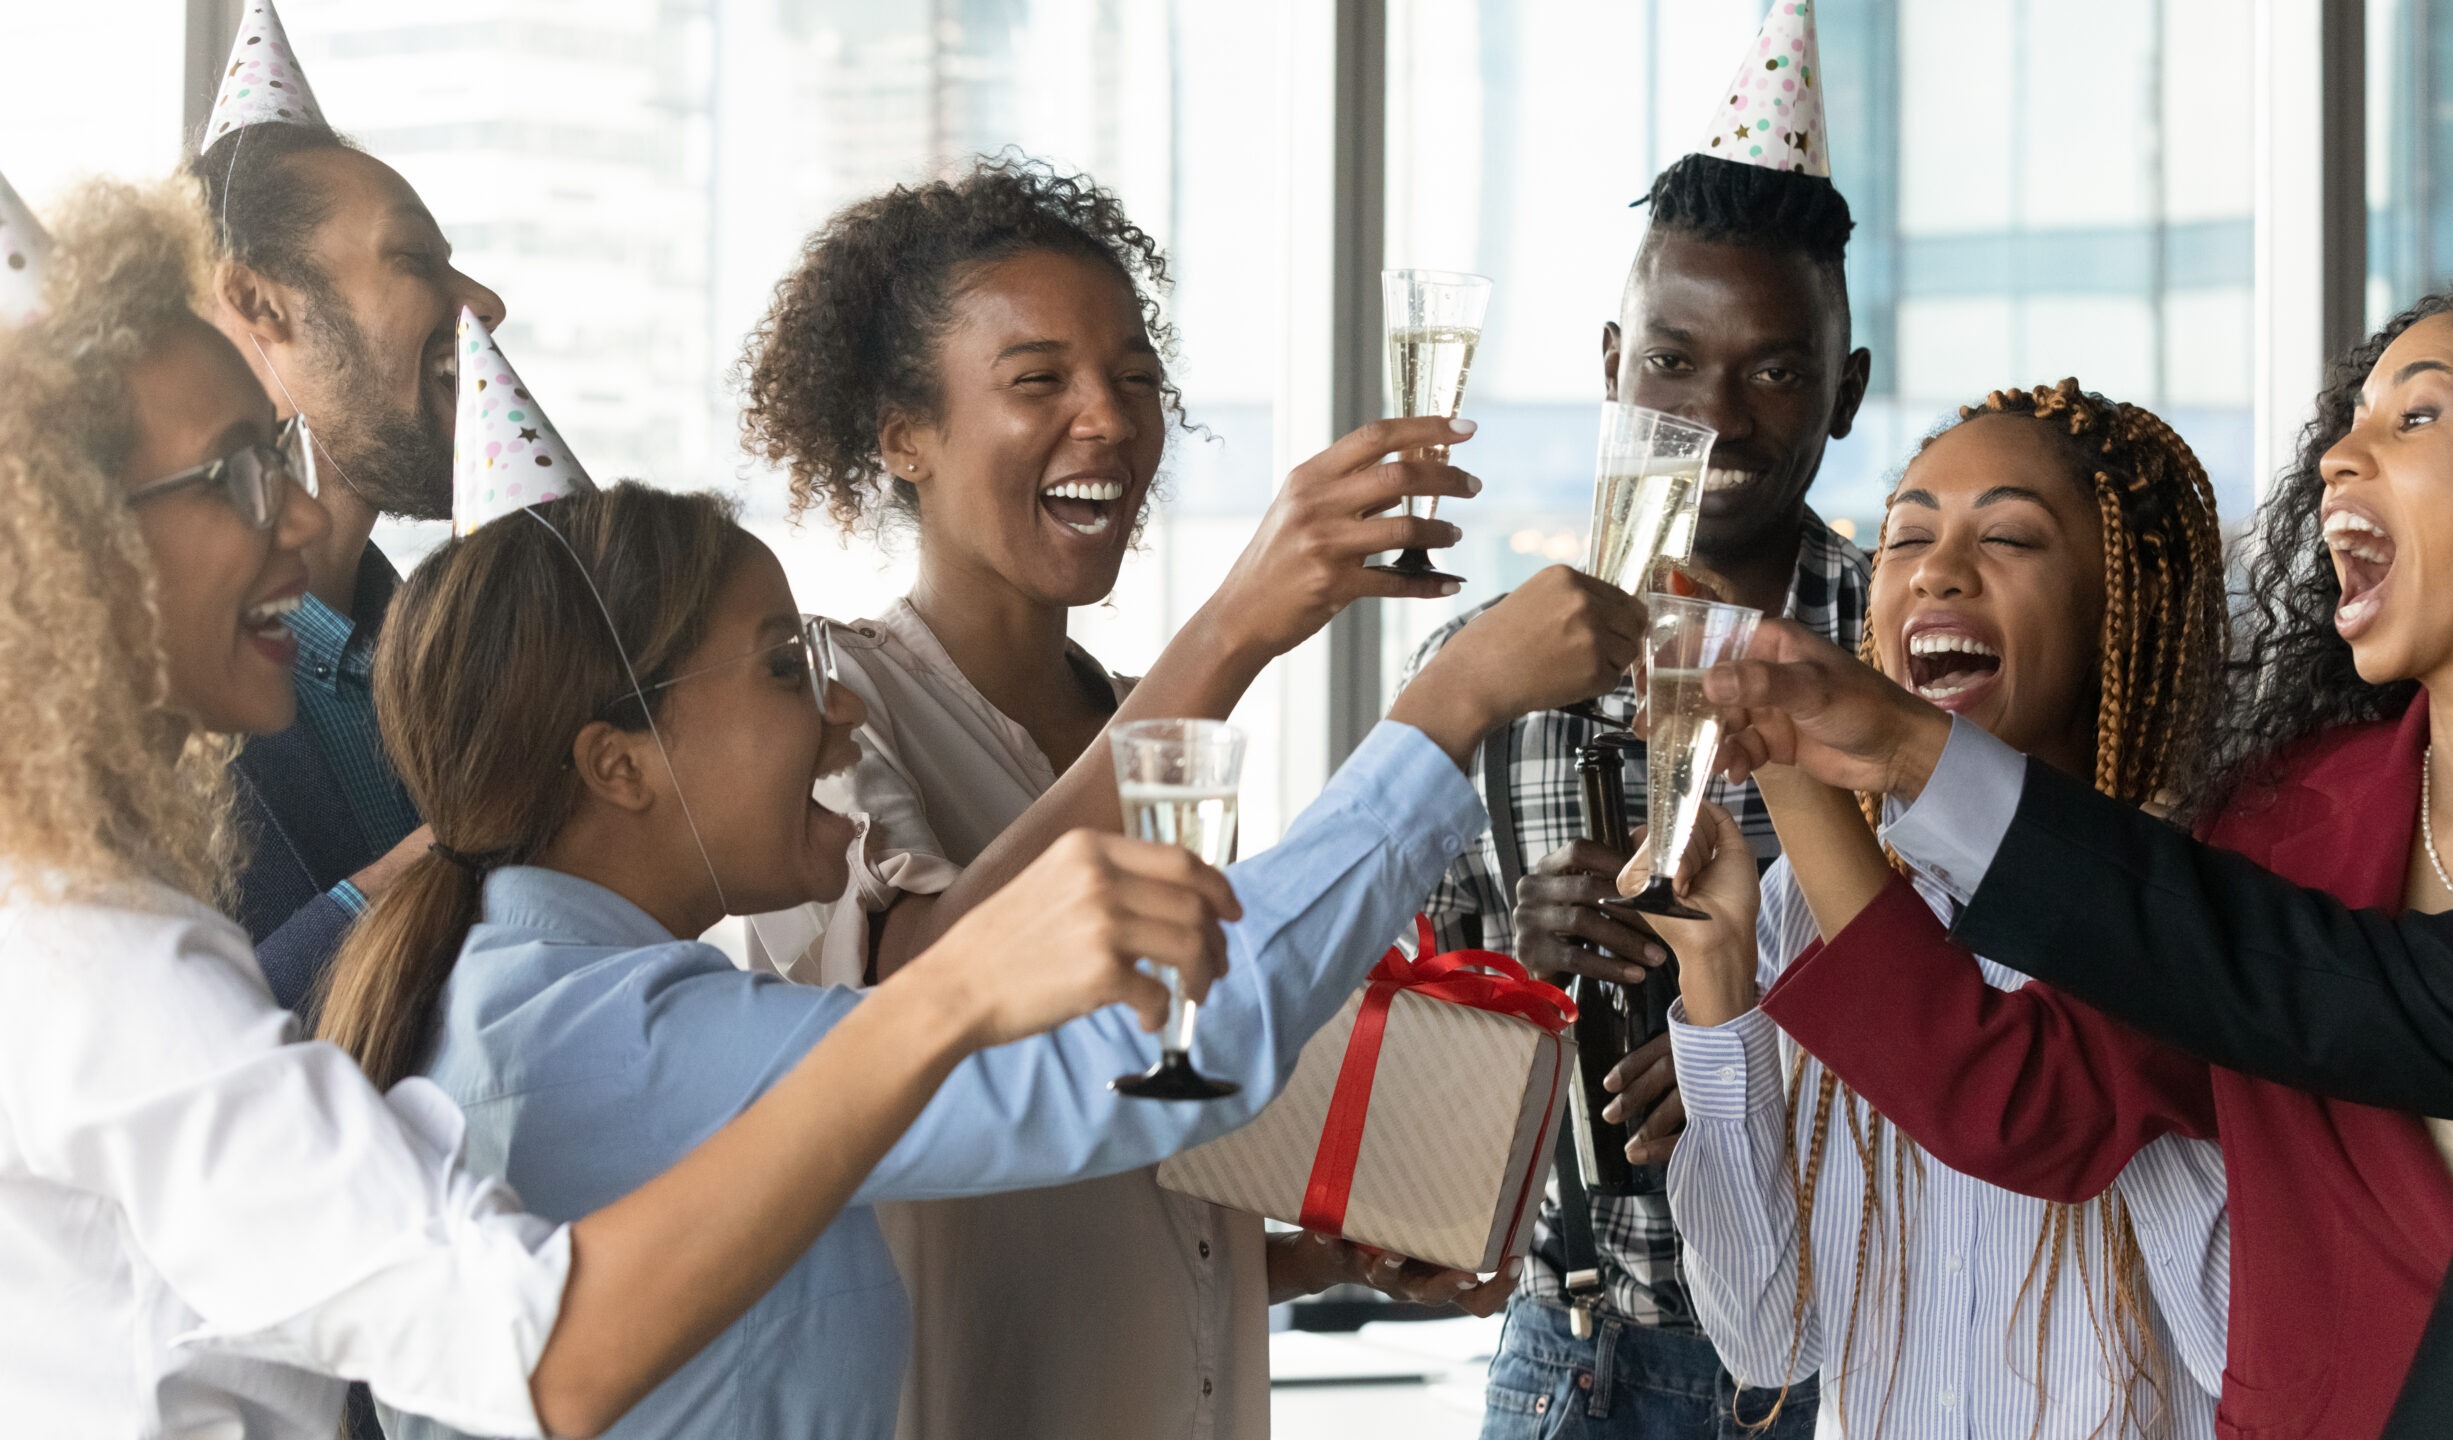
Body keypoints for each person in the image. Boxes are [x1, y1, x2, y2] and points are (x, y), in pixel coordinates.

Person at [0, 173, 1248, 1440]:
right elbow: (535, 1351)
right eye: (234, 475)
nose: (309, 517)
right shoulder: (101, 967)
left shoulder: (101, 929)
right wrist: (950, 999)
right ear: (65, 540)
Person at [310, 478, 1641, 1439]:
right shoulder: (621, 1039)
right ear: (618, 764)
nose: (834, 711)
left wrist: (1301, 1261)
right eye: (782, 670)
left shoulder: (524, 998)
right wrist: (1448, 706)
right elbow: (1146, 1062)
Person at [1697, 272, 2453, 1440]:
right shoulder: (2277, 825)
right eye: (2342, 427)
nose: (2336, 461)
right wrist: (1819, 757)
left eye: (2412, 415)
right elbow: (2026, 1099)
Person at [733, 156, 1513, 1437]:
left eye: (1136, 379)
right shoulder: (828, 707)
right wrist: (1241, 629)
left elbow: (1131, 1183)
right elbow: (917, 999)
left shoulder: (1138, 718)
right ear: (902, 435)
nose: (1109, 418)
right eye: (1038, 380)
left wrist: (1323, 1253)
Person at [1397, 6, 1871, 1424]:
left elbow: (2017, 1008)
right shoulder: (1494, 665)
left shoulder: (1904, 650)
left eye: (1776, 370)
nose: (1716, 413)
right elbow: (1411, 1065)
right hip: (1573, 1351)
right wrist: (1514, 975)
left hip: (1845, 1361)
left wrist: (1768, 1027)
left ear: (1841, 393)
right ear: (1613, 362)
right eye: (1674, 360)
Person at [1646, 380, 2229, 1438]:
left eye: (2007, 537)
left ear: (2122, 602)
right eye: (1903, 539)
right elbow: (1766, 1342)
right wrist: (1720, 981)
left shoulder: (2202, 902)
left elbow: (2246, 1349)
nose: (1937, 574)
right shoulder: (1803, 901)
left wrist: (2149, 1042)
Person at [193, 112, 492, 1016]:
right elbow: (173, 1059)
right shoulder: (126, 708)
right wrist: (446, 857)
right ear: (260, 309)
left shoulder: (448, 676)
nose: (482, 301)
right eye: (414, 260)